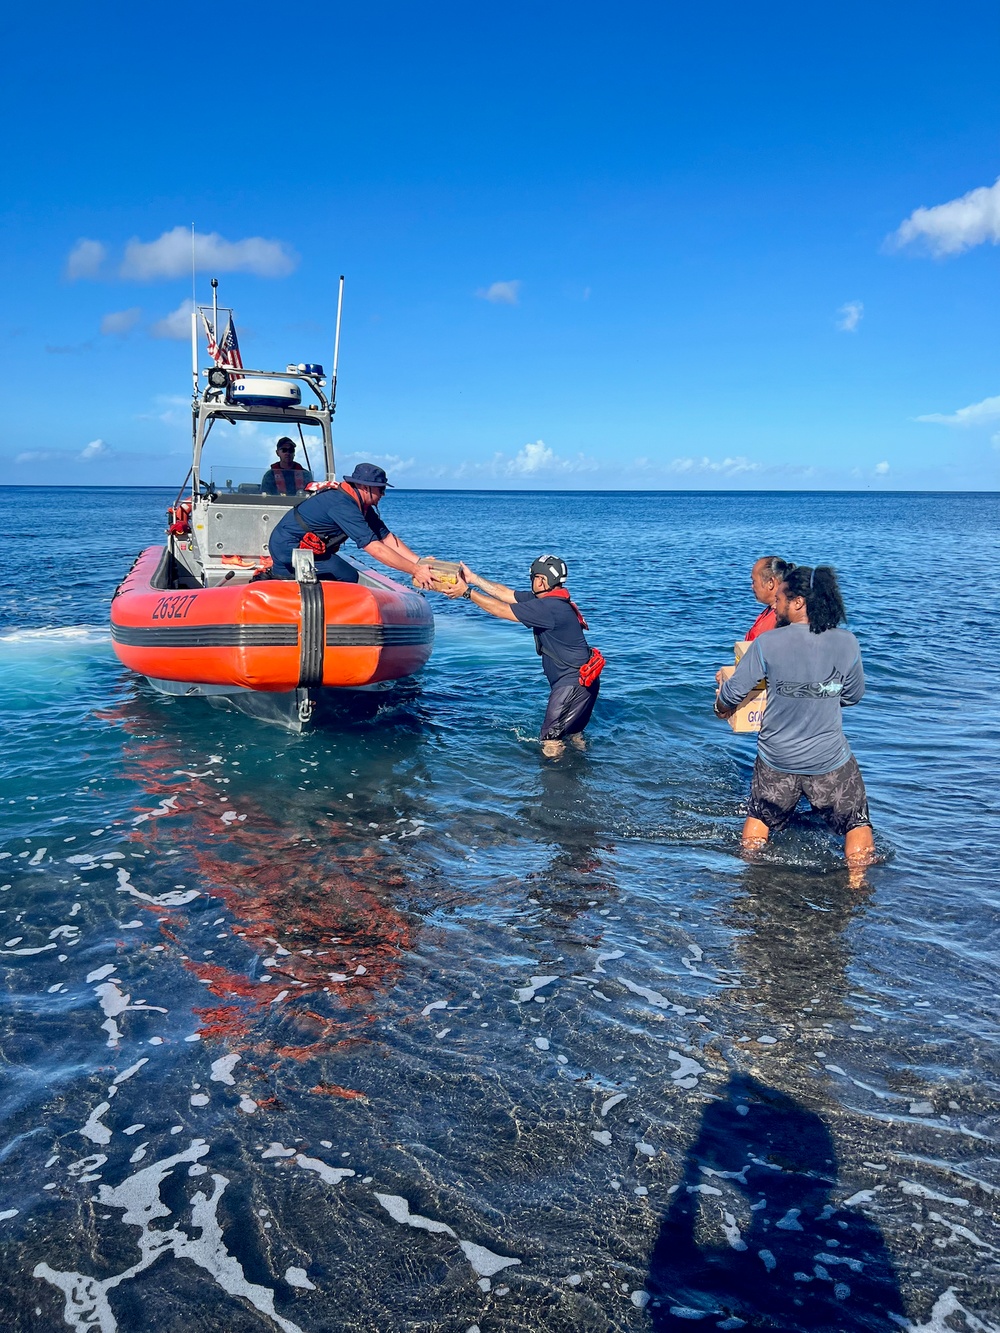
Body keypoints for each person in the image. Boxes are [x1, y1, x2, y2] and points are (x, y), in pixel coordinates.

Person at [714, 565, 875, 878]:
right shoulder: (847, 642)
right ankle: (857, 886)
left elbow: (733, 694)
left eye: (782, 598)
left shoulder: (768, 643)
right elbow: (853, 696)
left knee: (760, 817)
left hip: (777, 760)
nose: (776, 604)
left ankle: (752, 880)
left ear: (799, 602)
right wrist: (822, 693)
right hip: (829, 761)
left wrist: (720, 702)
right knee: (855, 821)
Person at [446, 555, 602, 758]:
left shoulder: (548, 608)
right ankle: (583, 778)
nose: (531, 581)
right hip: (584, 683)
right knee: (573, 735)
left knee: (550, 741)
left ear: (542, 581)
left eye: (532, 577)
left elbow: (501, 610)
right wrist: (474, 578)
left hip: (572, 686)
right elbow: (504, 594)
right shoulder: (550, 600)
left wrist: (467, 593)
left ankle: (554, 786)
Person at [265, 462, 435, 586]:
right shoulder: (342, 505)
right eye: (380, 489)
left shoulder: (361, 505)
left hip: (301, 548)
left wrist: (418, 562)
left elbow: (387, 538)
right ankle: (281, 575)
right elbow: (375, 548)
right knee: (346, 576)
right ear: (363, 487)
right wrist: (414, 571)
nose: (383, 494)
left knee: (345, 573)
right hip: (288, 549)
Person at [745, 555, 793, 641]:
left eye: (754, 581)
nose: (752, 586)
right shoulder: (770, 610)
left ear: (770, 583)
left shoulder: (781, 617)